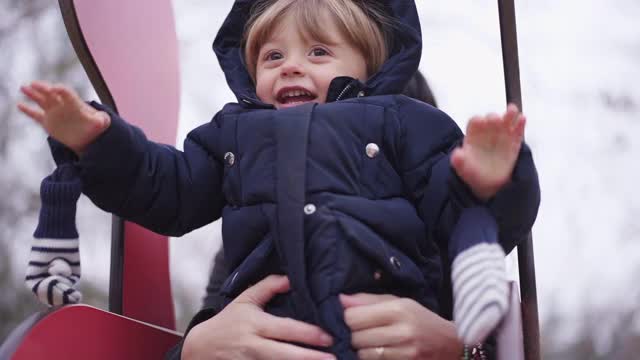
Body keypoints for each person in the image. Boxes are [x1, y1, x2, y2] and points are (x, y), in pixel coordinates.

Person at [18, 0, 540, 359]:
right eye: (273, 55)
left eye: (317, 52)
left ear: (372, 63)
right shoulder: (237, 138)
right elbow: (166, 185)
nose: (291, 67)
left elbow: (459, 218)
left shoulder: (406, 122)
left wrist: (491, 183)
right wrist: (98, 140)